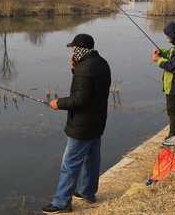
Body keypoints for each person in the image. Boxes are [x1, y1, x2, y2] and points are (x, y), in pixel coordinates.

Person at [42, 34, 111, 214]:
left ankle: (61, 203)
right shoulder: (101, 63)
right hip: (97, 122)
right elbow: (91, 88)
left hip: (82, 125)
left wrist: (58, 103)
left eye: (74, 48)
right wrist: (76, 68)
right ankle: (88, 192)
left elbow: (80, 99)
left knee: (70, 163)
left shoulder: (85, 68)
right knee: (92, 159)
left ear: (81, 49)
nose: (72, 51)